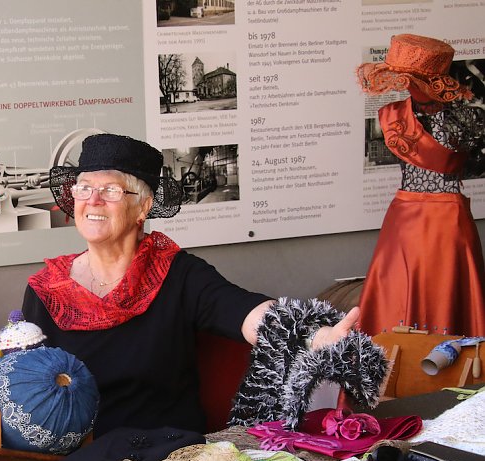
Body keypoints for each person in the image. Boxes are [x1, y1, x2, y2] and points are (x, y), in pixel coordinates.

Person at [23, 133, 385, 436]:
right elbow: (25, 385)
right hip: (76, 458)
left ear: (143, 207)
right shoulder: (47, 290)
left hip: (167, 456)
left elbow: (244, 310)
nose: (93, 200)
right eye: (84, 188)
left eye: (111, 191)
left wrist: (312, 335)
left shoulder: (179, 274)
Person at [356, 33, 485, 337]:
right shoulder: (390, 114)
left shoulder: (467, 120)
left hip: (447, 223)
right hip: (406, 222)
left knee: (448, 298)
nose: (405, 85)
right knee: (396, 297)